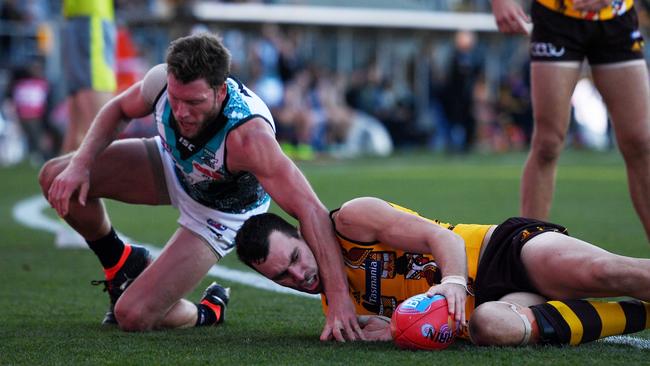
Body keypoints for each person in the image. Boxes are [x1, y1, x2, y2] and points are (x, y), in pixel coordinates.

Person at [38, 32, 361, 340]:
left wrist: (338, 298)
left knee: (133, 316)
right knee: (56, 175)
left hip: (220, 213)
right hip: (172, 167)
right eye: (176, 99)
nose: (181, 113)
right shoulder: (161, 82)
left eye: (194, 102)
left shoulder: (249, 137)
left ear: (221, 91)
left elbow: (311, 210)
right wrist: (80, 164)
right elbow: (119, 109)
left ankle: (208, 311)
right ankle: (121, 262)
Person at [235, 197, 650, 346]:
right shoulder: (340, 310)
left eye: (293, 259)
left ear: (303, 234)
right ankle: (642, 315)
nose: (299, 276)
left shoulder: (350, 220)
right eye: (281, 278)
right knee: (492, 327)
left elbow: (444, 240)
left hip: (499, 254)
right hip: (488, 308)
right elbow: (419, 324)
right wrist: (393, 330)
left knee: (604, 271)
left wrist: (451, 281)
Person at [490, 0, 650, 242]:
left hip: (616, 13)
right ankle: (526, 256)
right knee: (547, 144)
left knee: (641, 142)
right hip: (557, 15)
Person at [55, 0, 118, 248]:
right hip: (91, 19)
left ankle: (71, 227)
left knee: (78, 132)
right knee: (100, 128)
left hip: (78, 20)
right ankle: (91, 229)